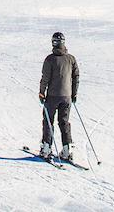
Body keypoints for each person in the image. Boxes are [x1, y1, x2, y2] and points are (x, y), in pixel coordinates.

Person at [38, 31, 80, 161]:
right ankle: (67, 149)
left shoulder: (50, 59)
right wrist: (74, 93)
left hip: (52, 96)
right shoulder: (71, 59)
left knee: (48, 121)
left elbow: (45, 77)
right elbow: (76, 77)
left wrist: (41, 92)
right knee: (64, 122)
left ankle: (46, 148)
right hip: (67, 96)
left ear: (53, 43)